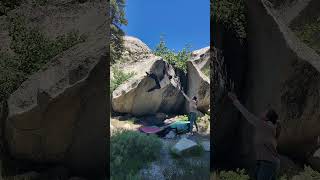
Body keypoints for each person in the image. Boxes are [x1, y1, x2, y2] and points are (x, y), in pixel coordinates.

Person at [228, 92, 280, 180]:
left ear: (267, 118)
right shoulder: (269, 127)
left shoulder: (264, 125)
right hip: (267, 163)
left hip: (267, 164)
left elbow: (248, 115)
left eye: (264, 112)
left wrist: (235, 100)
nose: (261, 112)